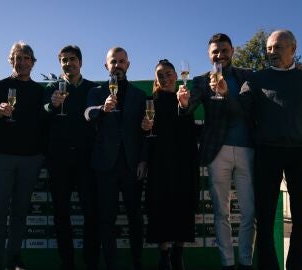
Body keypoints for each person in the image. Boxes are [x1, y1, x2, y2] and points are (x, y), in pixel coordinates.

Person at [239, 29, 302, 270]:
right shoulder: (256, 79)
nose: (271, 52)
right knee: (265, 219)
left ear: (293, 48)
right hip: (267, 153)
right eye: (268, 48)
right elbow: (242, 112)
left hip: (301, 154)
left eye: (277, 47)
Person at [177, 33, 255, 270]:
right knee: (221, 213)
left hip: (247, 151)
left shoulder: (247, 76)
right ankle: (228, 264)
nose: (219, 55)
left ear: (232, 50)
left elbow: (243, 112)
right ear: (209, 55)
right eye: (215, 52)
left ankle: (245, 262)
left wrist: (224, 93)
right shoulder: (201, 81)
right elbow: (189, 108)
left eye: (223, 50)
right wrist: (182, 103)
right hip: (216, 153)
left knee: (249, 214)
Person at [84, 47, 147, 270]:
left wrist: (142, 160)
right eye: (113, 61)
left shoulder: (139, 95)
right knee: (106, 219)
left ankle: (137, 262)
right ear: (106, 65)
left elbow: (144, 132)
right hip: (105, 166)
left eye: (121, 61)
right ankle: (111, 264)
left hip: (132, 165)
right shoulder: (96, 92)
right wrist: (102, 108)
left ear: (128, 65)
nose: (117, 65)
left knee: (135, 218)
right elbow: (87, 114)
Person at [0, 41, 46, 270]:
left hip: (31, 159)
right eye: (17, 58)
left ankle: (13, 257)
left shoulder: (41, 92)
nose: (22, 62)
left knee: (20, 212)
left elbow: (44, 126)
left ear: (33, 63)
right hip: (3, 157)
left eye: (26, 58)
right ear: (10, 60)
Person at [44, 45, 100, 270]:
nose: (69, 63)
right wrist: (51, 106)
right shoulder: (51, 88)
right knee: (61, 215)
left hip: (87, 161)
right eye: (64, 60)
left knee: (91, 214)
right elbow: (41, 118)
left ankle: (91, 262)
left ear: (81, 62)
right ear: (60, 64)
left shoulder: (93, 89)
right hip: (59, 162)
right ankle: (67, 262)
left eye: (72, 59)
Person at [141, 59, 199, 270]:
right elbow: (146, 135)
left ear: (176, 75)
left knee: (183, 207)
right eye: (160, 75)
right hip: (160, 163)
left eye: (168, 73)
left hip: (185, 162)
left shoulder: (188, 99)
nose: (165, 78)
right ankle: (164, 255)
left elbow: (191, 131)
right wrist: (145, 128)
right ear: (156, 80)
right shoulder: (151, 101)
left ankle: (178, 255)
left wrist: (184, 104)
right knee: (161, 208)